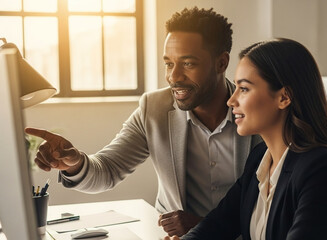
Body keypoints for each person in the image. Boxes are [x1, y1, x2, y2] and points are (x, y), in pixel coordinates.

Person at [25, 7, 261, 237]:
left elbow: (276, 209)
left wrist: (204, 227)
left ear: (221, 63)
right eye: (169, 63)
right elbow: (107, 169)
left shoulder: (258, 111)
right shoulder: (154, 108)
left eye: (188, 64)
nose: (173, 77)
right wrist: (74, 163)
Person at [164, 38, 327, 240]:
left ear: (284, 98)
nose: (231, 100)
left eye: (244, 89)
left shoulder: (322, 168)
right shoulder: (259, 158)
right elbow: (218, 224)